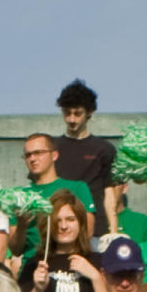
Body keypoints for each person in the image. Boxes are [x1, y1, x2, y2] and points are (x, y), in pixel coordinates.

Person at [19, 195, 100, 292]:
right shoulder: (36, 263)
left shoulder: (96, 260)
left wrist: (95, 277)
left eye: (70, 219)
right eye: (57, 220)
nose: (63, 226)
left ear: (81, 223)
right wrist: (37, 290)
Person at [53, 79, 118, 231]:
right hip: (60, 227)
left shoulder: (104, 149)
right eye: (67, 113)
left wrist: (114, 231)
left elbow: (110, 192)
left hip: (95, 228)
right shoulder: (52, 148)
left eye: (77, 113)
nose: (71, 119)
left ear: (89, 112)